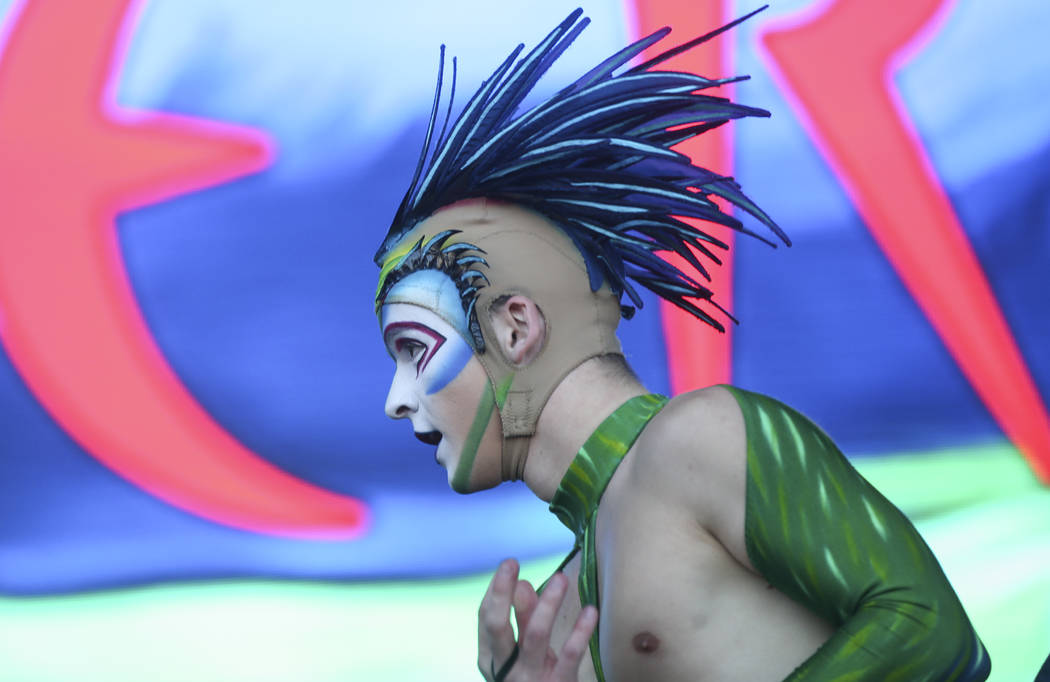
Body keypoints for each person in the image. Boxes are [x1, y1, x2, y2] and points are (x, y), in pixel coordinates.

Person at [374, 9, 991, 682]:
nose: (396, 400)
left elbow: (929, 631)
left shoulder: (698, 438)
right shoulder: (564, 606)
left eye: (415, 350)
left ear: (515, 329)